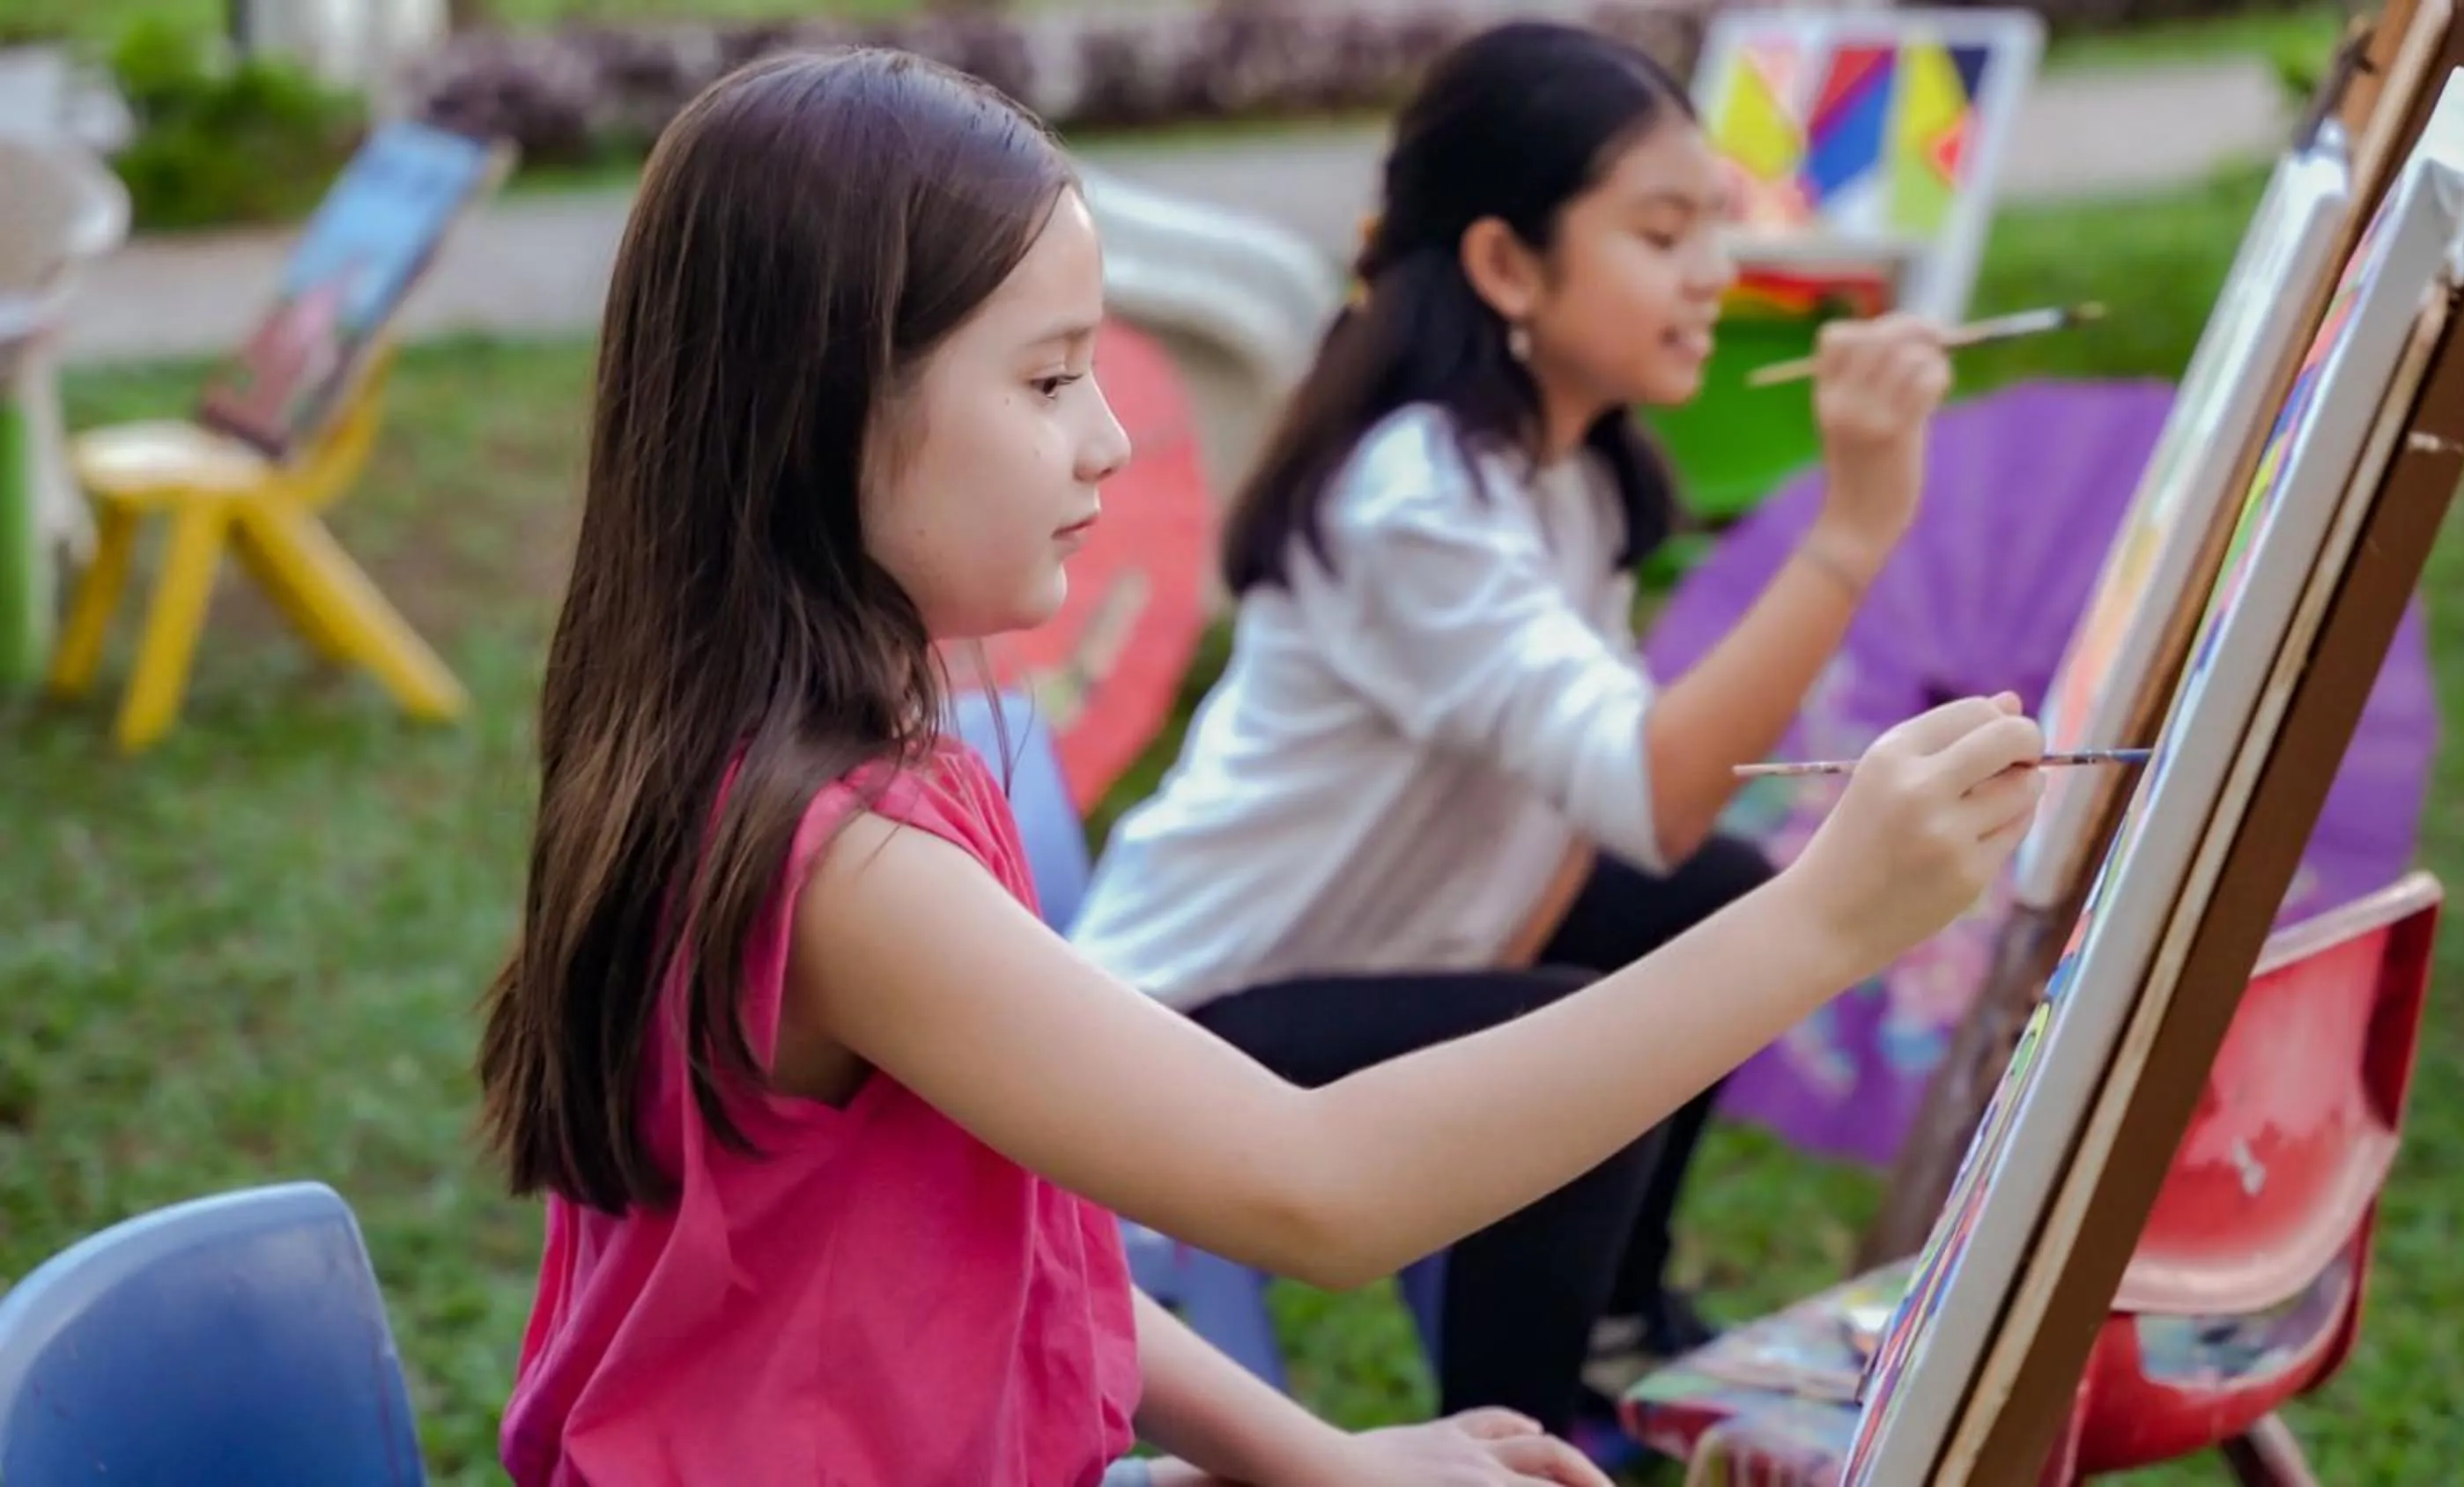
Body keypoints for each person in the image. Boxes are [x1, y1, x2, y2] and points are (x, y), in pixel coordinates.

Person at [475, 41, 2040, 1487]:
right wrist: (1824, 921)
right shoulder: (846, 865)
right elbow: (1320, 1192)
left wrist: (1324, 1463)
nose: (1109, 438)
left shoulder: (886, 772)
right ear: (825, 411)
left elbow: (1028, 1245)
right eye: (1047, 380)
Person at [1069, 20, 1953, 1444]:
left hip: (1377, 954)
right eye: (1661, 234)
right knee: (1576, 1033)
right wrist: (1849, 530)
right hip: (1182, 1030)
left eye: (1714, 227)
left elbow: (1625, 818)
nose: (1713, 274)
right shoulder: (1414, 500)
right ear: (1505, 265)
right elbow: (1655, 787)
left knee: (1707, 902)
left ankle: (1609, 1330)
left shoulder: (1568, 474)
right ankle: (1521, 1437)